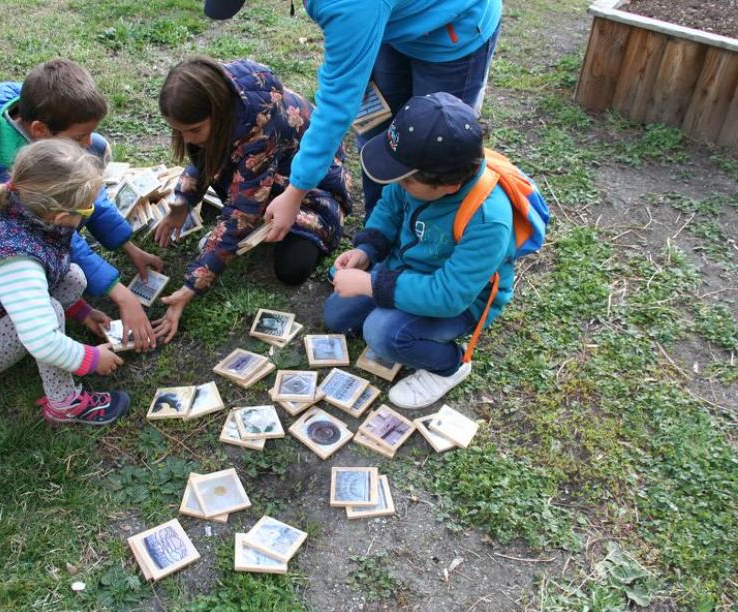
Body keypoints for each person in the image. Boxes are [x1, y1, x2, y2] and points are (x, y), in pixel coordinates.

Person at [202, 0, 501, 227]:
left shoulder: (347, 5)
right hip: (389, 23)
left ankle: (426, 248)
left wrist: (296, 191)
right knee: (380, 131)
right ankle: (379, 231)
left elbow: (337, 103)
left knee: (435, 154)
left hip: (453, 31)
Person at [0, 58, 162, 351]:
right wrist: (121, 294)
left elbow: (88, 197)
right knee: (54, 260)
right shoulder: (6, 169)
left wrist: (127, 245)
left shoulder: (40, 120)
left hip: (43, 214)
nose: (87, 142)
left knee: (96, 151)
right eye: (78, 136)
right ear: (40, 130)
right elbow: (56, 237)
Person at [323, 93, 515, 408]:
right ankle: (393, 307)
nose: (400, 185)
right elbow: (390, 207)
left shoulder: (488, 220)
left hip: (459, 302)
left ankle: (449, 367)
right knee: (337, 314)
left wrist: (371, 285)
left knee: (383, 334)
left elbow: (448, 296)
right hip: (405, 272)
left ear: (448, 186)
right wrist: (368, 251)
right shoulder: (414, 177)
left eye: (407, 182)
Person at [151, 56, 352, 343]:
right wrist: (183, 201)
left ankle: (308, 223)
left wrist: (190, 289)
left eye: (194, 130)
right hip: (264, 172)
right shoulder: (221, 101)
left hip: (311, 187)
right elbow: (204, 159)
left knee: (292, 267)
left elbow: (241, 214)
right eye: (180, 131)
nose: (187, 140)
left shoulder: (260, 129)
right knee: (247, 202)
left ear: (218, 112)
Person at [0, 140, 130, 425]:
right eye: (87, 210)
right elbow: (42, 341)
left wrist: (83, 312)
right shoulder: (16, 260)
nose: (88, 213)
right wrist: (89, 359)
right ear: (63, 217)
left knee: (73, 276)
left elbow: (55, 272)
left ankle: (54, 322)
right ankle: (64, 403)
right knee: (49, 313)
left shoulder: (26, 212)